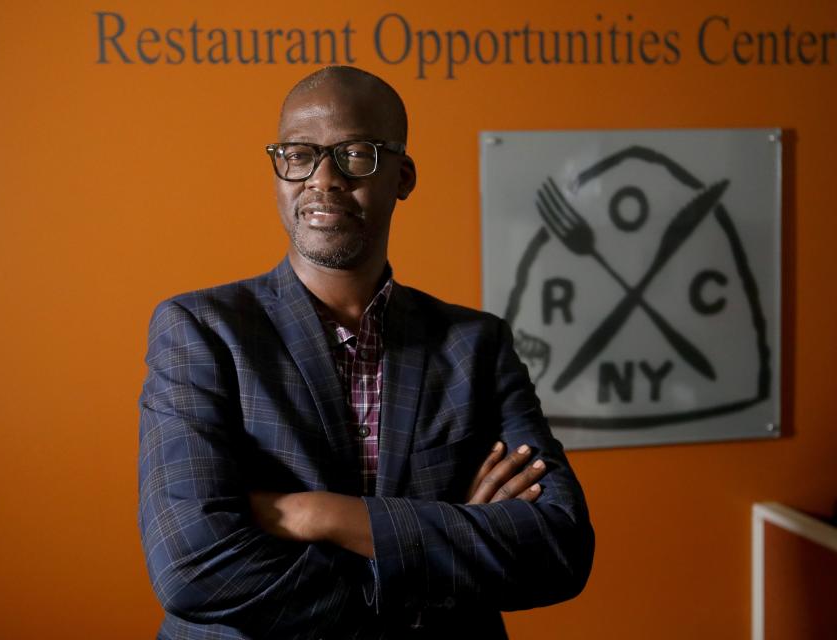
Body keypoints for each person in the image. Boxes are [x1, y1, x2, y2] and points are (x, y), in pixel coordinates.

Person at [138, 65, 594, 640]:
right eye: (298, 153)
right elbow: (193, 570)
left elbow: (557, 548)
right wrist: (436, 566)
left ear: (402, 176)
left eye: (355, 153)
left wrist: (316, 514)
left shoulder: (477, 346)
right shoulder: (201, 331)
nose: (321, 179)